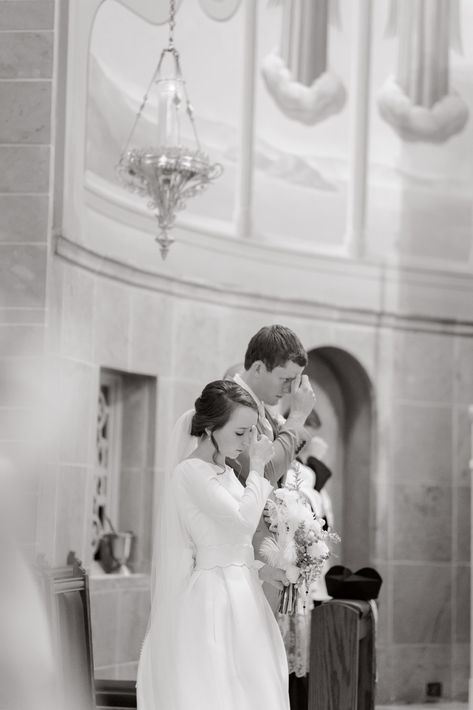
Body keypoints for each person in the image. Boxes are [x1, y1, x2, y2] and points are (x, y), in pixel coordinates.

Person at [137, 380, 290, 710]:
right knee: (221, 687)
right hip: (213, 598)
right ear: (209, 428)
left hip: (243, 589)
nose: (249, 441)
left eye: (251, 432)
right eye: (240, 433)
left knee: (256, 684)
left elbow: (232, 543)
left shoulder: (225, 470)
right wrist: (260, 468)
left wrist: (262, 570)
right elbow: (241, 522)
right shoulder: (190, 472)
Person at [227, 325, 316, 610]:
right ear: (257, 367)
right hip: (242, 555)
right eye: (285, 379)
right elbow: (263, 471)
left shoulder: (261, 408)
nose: (290, 390)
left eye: (295, 381)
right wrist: (298, 416)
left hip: (259, 554)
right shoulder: (232, 405)